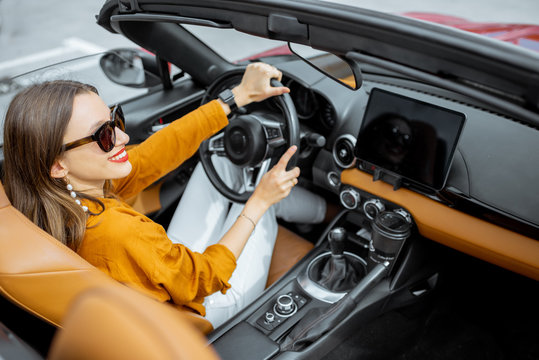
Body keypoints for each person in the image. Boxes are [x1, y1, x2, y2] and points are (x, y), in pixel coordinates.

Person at [2, 63, 326, 327]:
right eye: (103, 135)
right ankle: (328, 215)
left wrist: (235, 97)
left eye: (115, 120)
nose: (122, 136)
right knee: (260, 197)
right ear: (57, 165)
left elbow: (153, 156)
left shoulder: (60, 197)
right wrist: (259, 202)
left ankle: (319, 210)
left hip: (163, 283)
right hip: (198, 314)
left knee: (219, 162)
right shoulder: (117, 232)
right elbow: (203, 279)